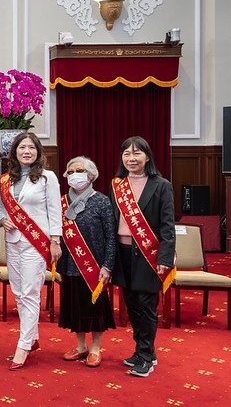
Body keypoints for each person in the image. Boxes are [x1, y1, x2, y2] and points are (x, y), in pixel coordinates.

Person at [110, 136, 175, 378]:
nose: (131, 158)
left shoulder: (161, 185)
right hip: (122, 253)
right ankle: (143, 350)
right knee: (132, 304)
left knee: (147, 306)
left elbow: (168, 226)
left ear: (147, 156)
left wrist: (165, 258)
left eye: (137, 153)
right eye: (127, 153)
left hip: (149, 255)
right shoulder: (117, 184)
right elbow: (112, 221)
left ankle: (146, 355)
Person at [0, 131, 62, 371]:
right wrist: (3, 219)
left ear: (38, 152)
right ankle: (32, 338)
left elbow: (55, 210)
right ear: (15, 152)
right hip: (13, 240)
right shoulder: (5, 179)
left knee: (30, 292)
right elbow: (0, 208)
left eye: (31, 147)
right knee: (19, 291)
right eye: (22, 147)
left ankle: (23, 345)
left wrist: (55, 240)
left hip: (36, 242)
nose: (27, 151)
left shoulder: (48, 178)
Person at [57, 156, 116, 368]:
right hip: (69, 265)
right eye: (70, 172)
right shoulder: (61, 202)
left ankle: (95, 348)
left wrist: (108, 265)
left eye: (79, 171)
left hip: (94, 266)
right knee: (75, 308)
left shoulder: (101, 201)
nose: (74, 175)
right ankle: (81, 346)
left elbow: (111, 236)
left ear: (91, 175)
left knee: (96, 308)